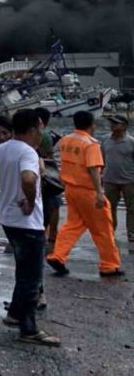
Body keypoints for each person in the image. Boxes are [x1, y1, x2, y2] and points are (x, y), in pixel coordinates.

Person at [0, 108, 60, 346]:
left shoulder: (3, 148)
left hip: (9, 219)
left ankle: (14, 314)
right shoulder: (28, 152)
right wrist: (31, 201)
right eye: (40, 128)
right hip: (27, 222)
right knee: (32, 277)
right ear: (33, 129)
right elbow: (28, 179)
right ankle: (29, 328)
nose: (42, 132)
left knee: (23, 270)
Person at [46, 110, 125, 277]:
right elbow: (93, 169)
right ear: (92, 125)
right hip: (88, 191)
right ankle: (109, 265)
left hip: (70, 190)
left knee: (73, 225)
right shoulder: (90, 144)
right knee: (103, 228)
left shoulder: (66, 140)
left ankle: (58, 255)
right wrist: (99, 193)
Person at [102, 114, 134, 245]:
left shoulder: (131, 142)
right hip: (110, 180)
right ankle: (110, 231)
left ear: (125, 126)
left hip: (129, 181)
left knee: (132, 208)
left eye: (116, 123)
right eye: (111, 123)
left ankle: (131, 232)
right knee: (109, 208)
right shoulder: (105, 140)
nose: (113, 125)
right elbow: (102, 159)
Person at [34, 108, 62, 245]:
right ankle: (52, 235)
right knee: (55, 204)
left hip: (37, 170)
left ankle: (43, 232)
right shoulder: (44, 135)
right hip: (48, 170)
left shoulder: (31, 134)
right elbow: (49, 155)